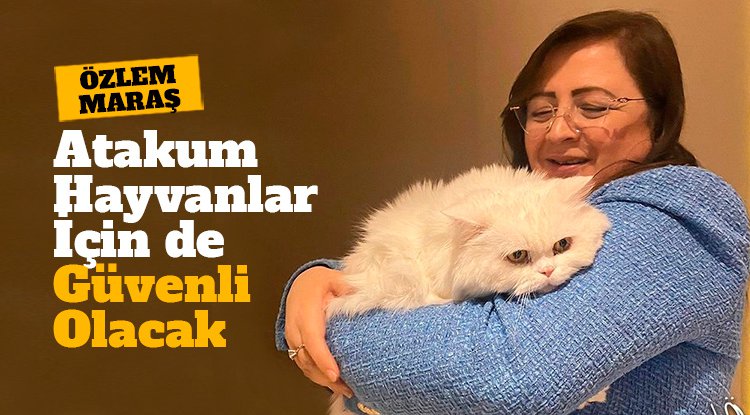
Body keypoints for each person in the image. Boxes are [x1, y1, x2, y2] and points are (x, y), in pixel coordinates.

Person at [275, 10, 750, 414]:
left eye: (593, 107)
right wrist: (324, 277)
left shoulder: (683, 211)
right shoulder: (529, 201)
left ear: (660, 116)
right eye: (540, 111)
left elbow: (508, 376)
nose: (559, 131)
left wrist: (326, 323)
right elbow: (443, 278)